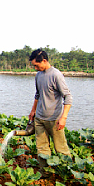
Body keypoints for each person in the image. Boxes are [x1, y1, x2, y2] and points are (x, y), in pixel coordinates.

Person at [28, 49, 73, 177]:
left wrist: (63, 117)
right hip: (40, 118)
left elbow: (68, 97)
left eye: (37, 65)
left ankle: (68, 173)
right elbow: (38, 94)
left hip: (54, 119)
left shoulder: (56, 75)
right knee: (42, 148)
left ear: (44, 61)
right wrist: (33, 111)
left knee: (61, 148)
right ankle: (45, 172)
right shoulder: (38, 75)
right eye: (34, 66)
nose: (35, 68)